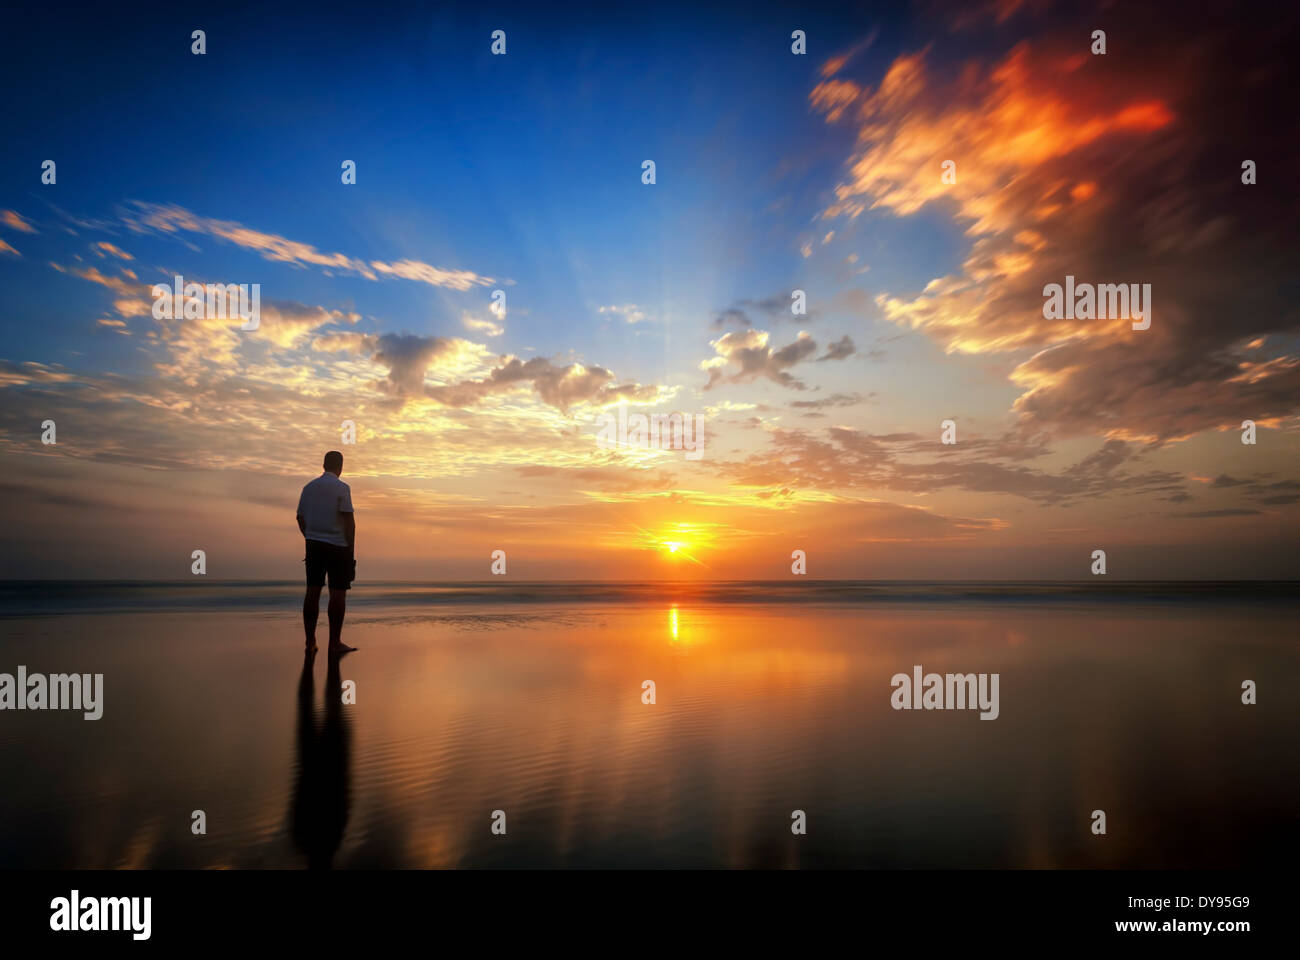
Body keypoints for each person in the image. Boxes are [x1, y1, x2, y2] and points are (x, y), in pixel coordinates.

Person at [297, 451, 357, 655]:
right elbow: (349, 521)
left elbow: (300, 517)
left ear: (324, 465)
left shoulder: (309, 488)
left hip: (314, 545)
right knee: (338, 594)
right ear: (340, 466)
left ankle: (310, 641)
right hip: (338, 546)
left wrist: (310, 535)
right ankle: (334, 643)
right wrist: (350, 548)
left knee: (312, 592)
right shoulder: (342, 488)